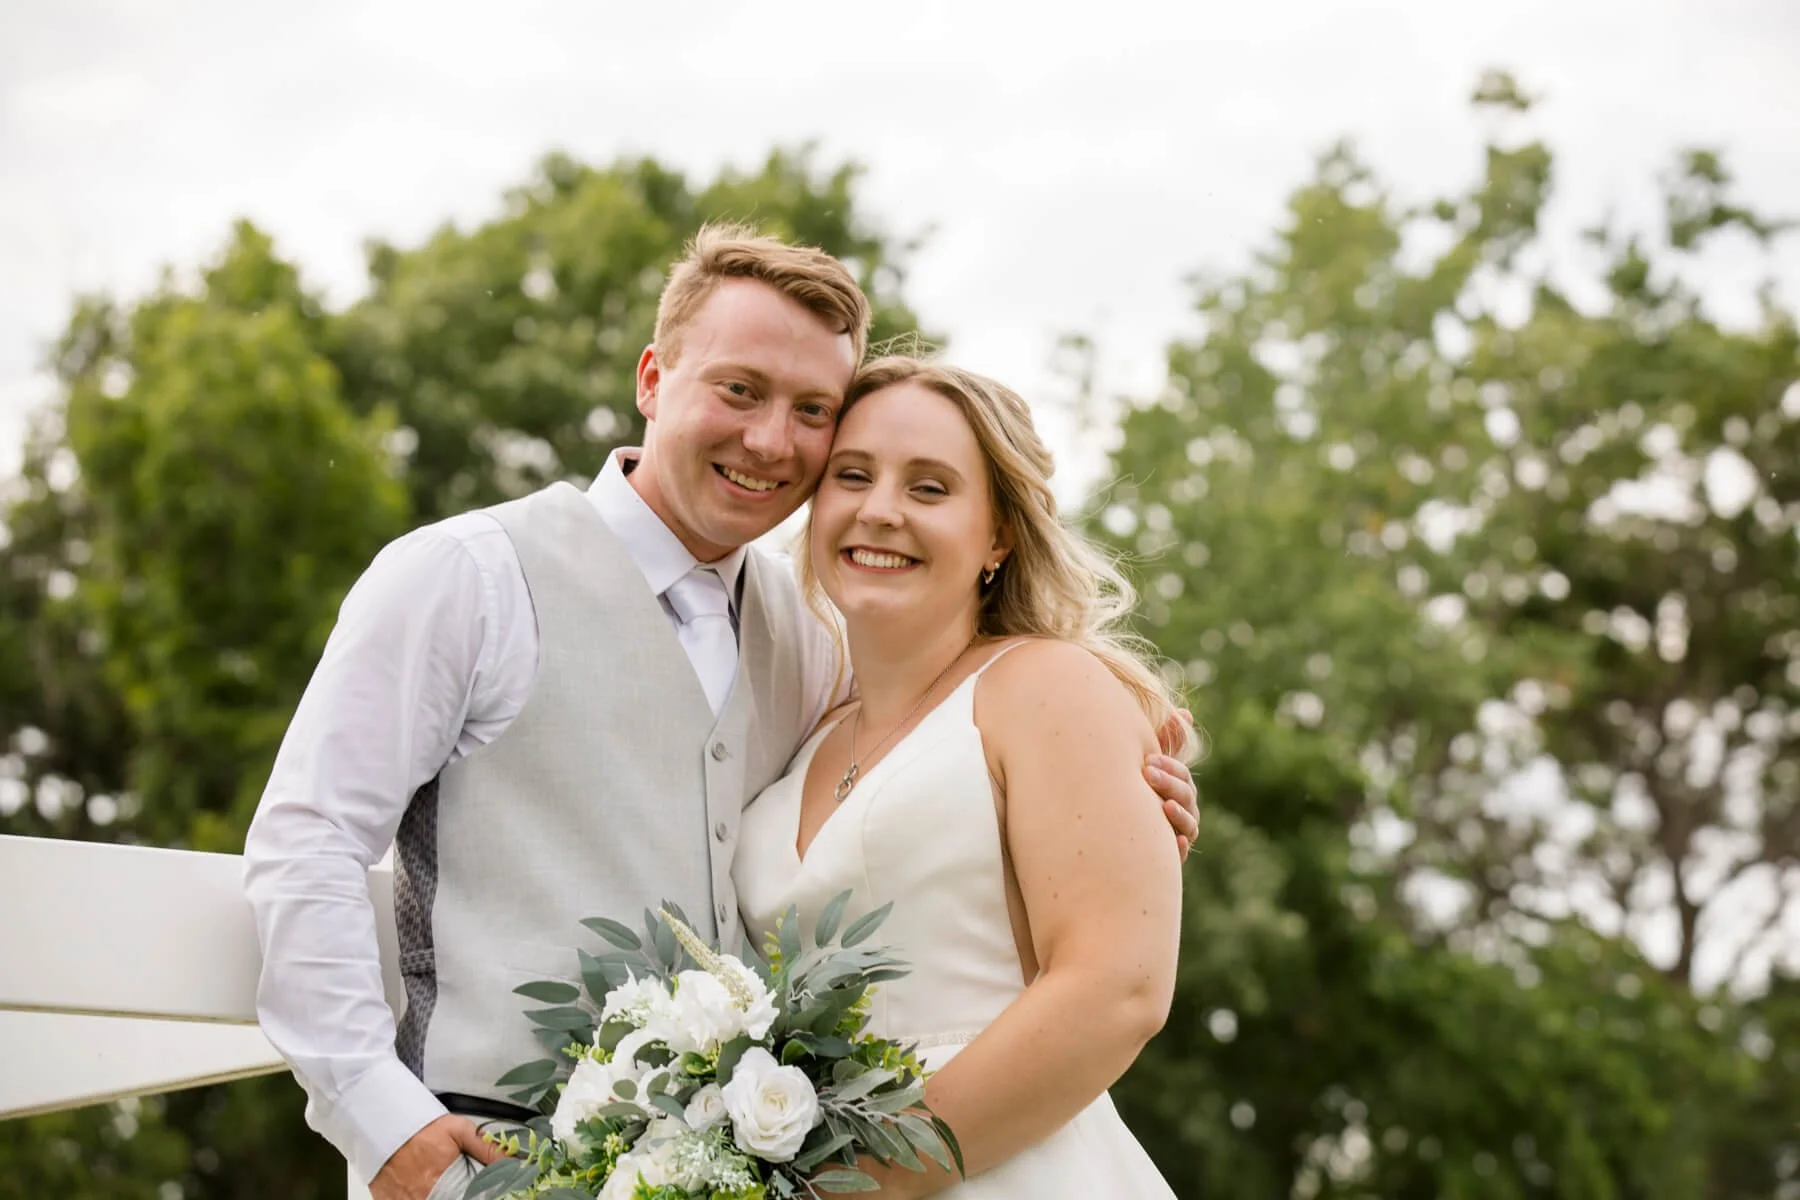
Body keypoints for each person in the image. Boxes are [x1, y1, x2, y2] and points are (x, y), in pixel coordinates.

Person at [241, 226, 1201, 1200]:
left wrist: (1125, 810)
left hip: (745, 1176)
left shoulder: (815, 643)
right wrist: (379, 1120)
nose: (771, 440)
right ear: (653, 379)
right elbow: (310, 838)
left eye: (812, 411)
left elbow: (952, 801)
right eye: (740, 390)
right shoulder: (467, 576)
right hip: (479, 1159)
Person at [735, 356, 1189, 1197]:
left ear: (998, 536)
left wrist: (857, 1181)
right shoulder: (805, 730)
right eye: (853, 476)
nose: (880, 510)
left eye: (930, 488)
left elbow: (1118, 989)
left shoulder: (1045, 685)